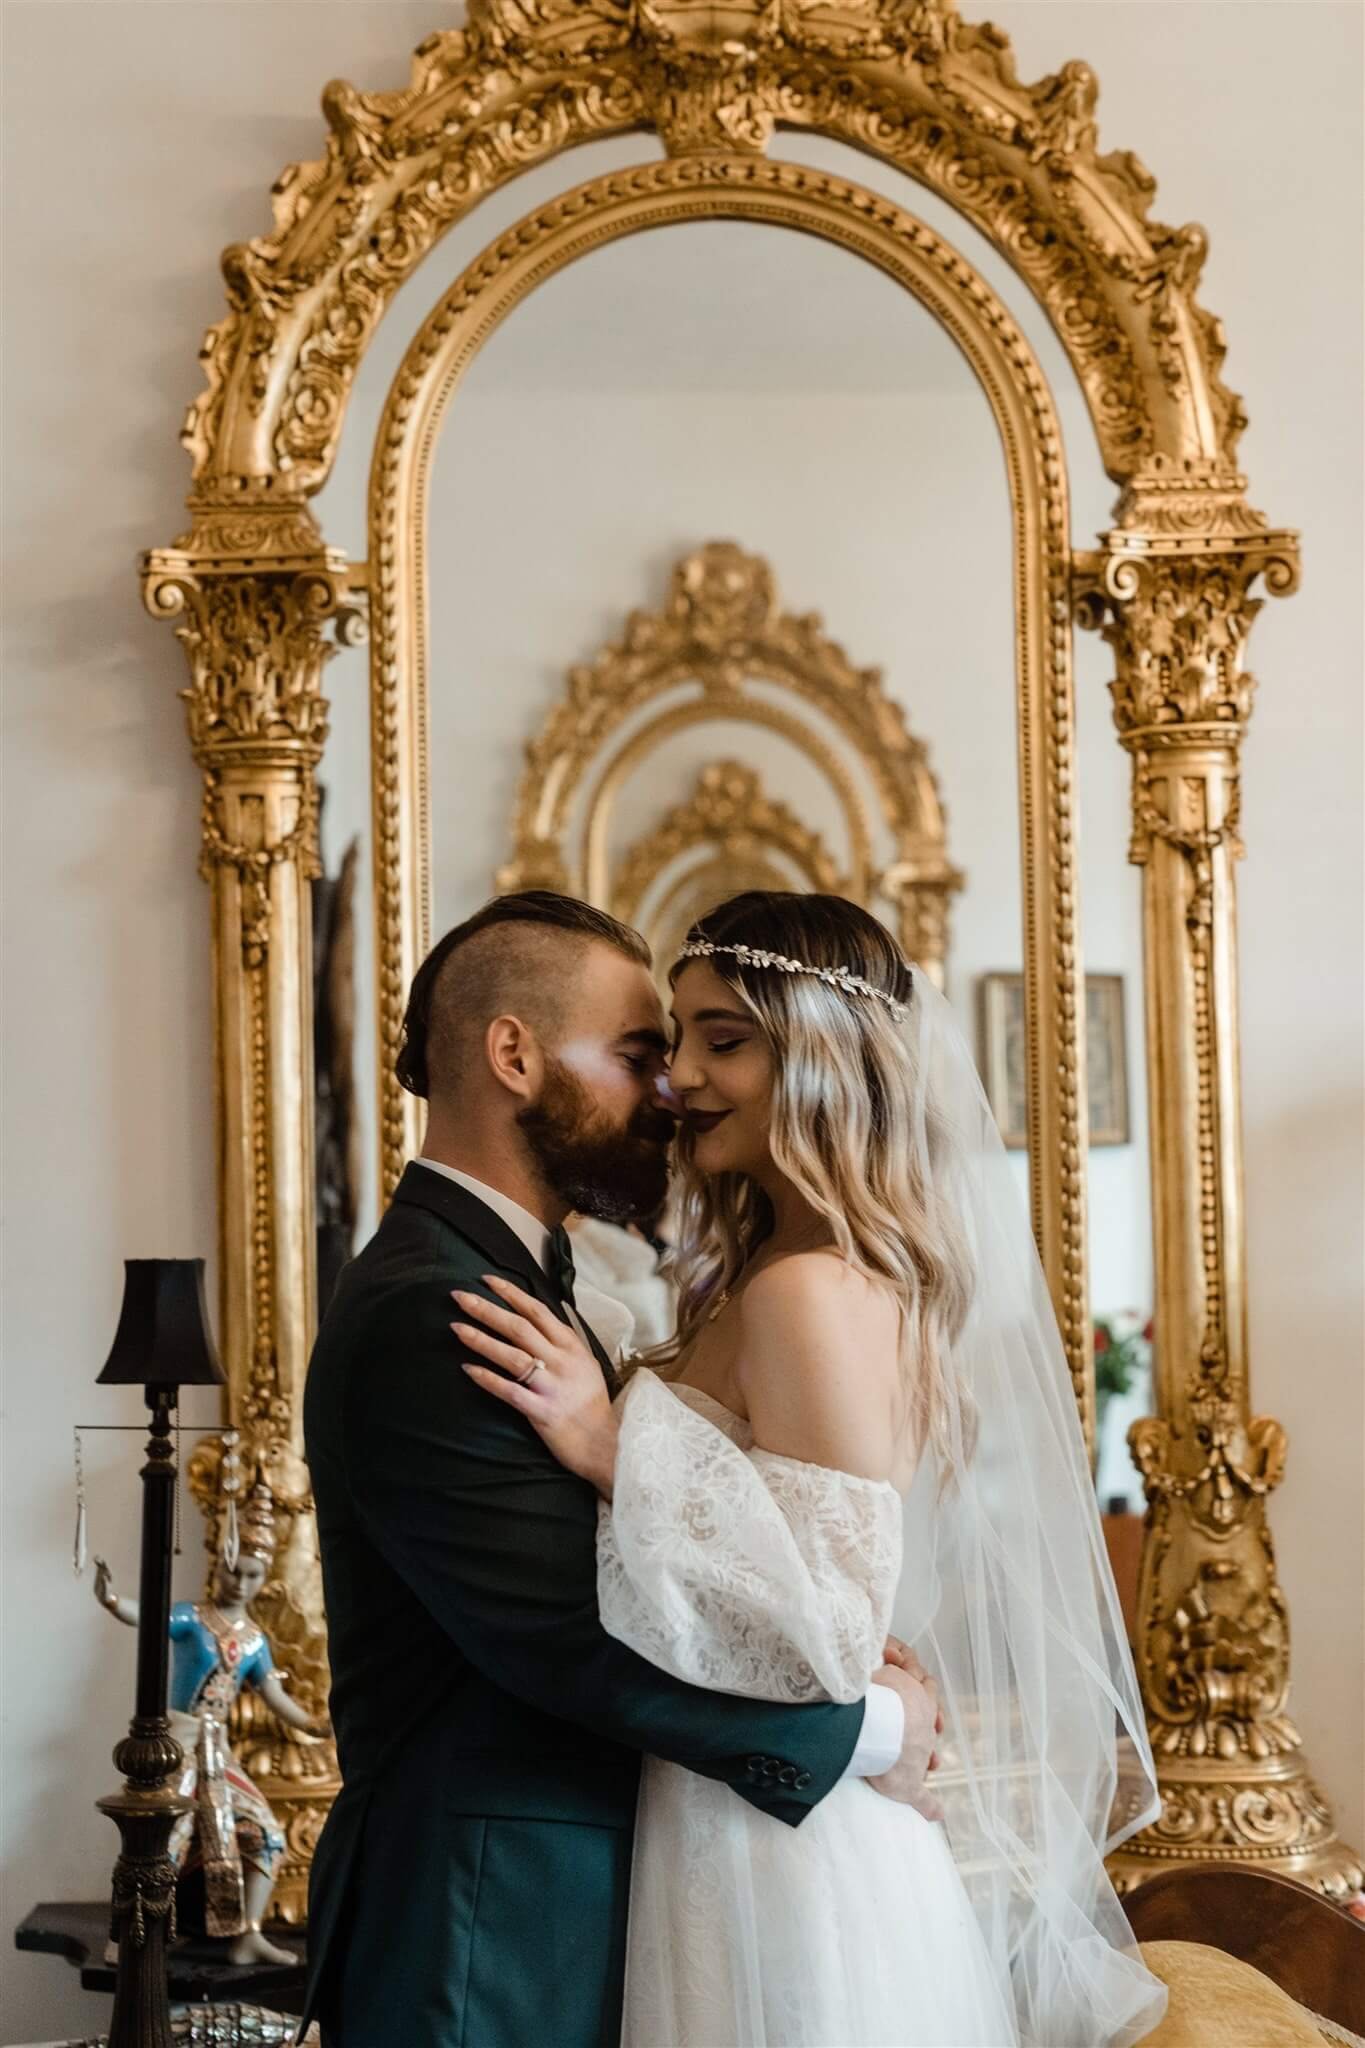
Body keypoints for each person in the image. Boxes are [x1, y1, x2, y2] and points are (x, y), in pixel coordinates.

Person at [457, 890, 1169, 2048]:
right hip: (747, 1819)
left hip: (780, 1856)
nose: (681, 1074)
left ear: (828, 1056)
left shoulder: (803, 1291)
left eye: (724, 1039)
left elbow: (824, 1631)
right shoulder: (786, 1272)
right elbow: (824, 1576)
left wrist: (608, 1443)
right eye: (674, 1037)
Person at [298, 891, 940, 2047]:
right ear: (515, 1054)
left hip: (614, 1898)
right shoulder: (433, 1305)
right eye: (644, 1049)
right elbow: (567, 1627)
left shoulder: (530, 1281)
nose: (671, 1084)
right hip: (490, 1930)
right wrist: (868, 1729)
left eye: (711, 1042)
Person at [94, 1481, 324, 1965]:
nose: (239, 1583)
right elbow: (151, 1617)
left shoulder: (256, 1641)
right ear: (219, 1567)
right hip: (179, 1742)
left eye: (252, 1575)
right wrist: (114, 1601)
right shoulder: (192, 1617)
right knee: (161, 1837)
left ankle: (249, 1932)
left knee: (264, 1831)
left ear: (264, 1580)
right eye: (233, 1570)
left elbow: (273, 1694)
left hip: (219, 1752)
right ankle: (127, 1936)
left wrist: (317, 1725)